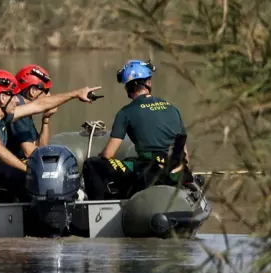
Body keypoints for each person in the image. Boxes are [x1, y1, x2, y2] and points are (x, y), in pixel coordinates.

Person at [0, 70, 101, 203]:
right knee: (33, 181)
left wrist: (76, 94)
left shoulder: (2, 115)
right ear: (2, 98)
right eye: (13, 96)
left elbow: (39, 105)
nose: (16, 100)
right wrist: (28, 169)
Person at [82, 60, 192, 200]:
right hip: (179, 174)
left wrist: (101, 157)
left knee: (92, 164)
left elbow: (108, 154)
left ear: (127, 88)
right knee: (131, 160)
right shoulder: (172, 108)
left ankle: (100, 211)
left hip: (151, 174)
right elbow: (185, 155)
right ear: (149, 83)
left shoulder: (126, 112)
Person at [6, 64, 57, 160]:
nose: (49, 95)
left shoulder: (26, 112)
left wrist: (46, 119)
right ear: (33, 91)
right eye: (46, 91)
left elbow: (41, 147)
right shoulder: (18, 108)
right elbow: (29, 152)